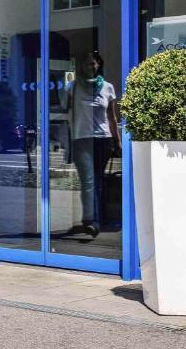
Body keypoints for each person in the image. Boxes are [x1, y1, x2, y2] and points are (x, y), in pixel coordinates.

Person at [70, 51, 120, 238]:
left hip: (103, 139)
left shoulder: (107, 87)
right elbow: (66, 111)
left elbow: (112, 117)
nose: (91, 66)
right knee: (88, 181)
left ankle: (95, 219)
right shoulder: (72, 87)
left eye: (94, 63)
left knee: (97, 180)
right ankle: (91, 221)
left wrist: (117, 141)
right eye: (87, 64)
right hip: (81, 139)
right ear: (81, 66)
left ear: (99, 65)